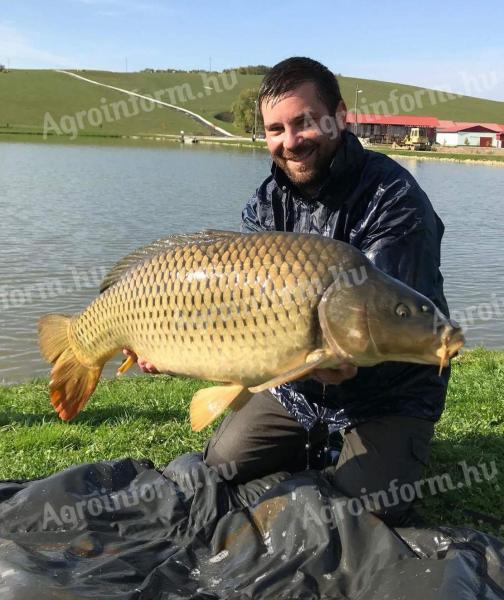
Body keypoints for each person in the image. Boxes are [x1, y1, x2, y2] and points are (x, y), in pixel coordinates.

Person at [126, 57, 451, 525]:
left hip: (388, 393)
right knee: (222, 467)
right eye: (276, 129)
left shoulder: (393, 197)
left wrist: (341, 364)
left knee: (363, 514)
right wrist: (168, 342)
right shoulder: (265, 204)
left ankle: (385, 446)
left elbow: (393, 318)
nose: (290, 142)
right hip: (297, 386)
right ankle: (309, 438)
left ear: (340, 115)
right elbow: (236, 317)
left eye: (304, 123)